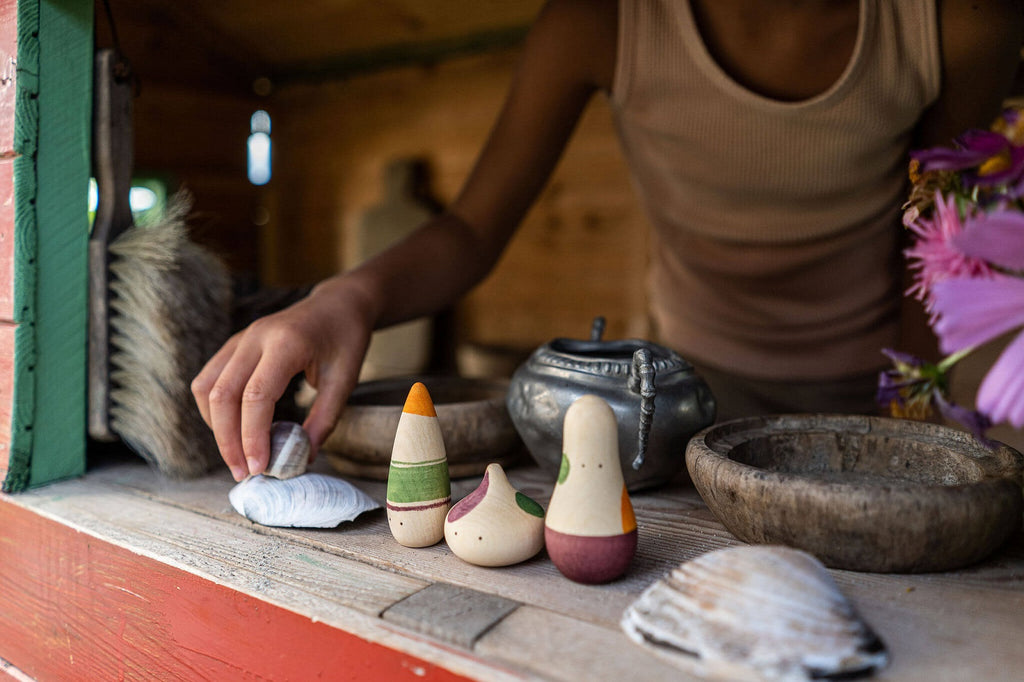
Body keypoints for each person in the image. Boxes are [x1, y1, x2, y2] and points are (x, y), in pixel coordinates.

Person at [193, 0, 1024, 482]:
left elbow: (943, 235)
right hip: (686, 406)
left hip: (885, 396)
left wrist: (922, 409)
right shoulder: (599, 23)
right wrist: (345, 297)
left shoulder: (954, 24)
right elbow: (473, 229)